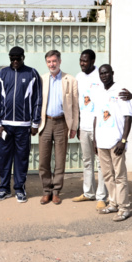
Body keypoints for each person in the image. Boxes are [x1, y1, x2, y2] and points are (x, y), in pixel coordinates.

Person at [73, 49, 132, 210]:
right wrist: (77, 125)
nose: (82, 63)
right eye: (80, 60)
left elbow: (125, 110)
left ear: (93, 61)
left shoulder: (107, 82)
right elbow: (80, 104)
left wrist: (130, 95)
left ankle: (103, 197)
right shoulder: (80, 78)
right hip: (87, 127)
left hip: (107, 133)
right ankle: (89, 193)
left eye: (85, 61)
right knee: (88, 162)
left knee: (107, 168)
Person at [0, 46, 42, 203]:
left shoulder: (32, 73)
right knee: (4, 158)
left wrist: (35, 122)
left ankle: (20, 188)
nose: (14, 61)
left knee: (21, 158)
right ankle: (4, 189)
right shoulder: (2, 74)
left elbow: (37, 100)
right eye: (12, 58)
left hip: (24, 125)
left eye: (17, 59)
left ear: (23, 57)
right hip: (5, 125)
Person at [38, 50, 79, 205]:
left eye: (54, 61)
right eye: (49, 61)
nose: (52, 64)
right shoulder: (42, 79)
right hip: (45, 123)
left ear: (60, 61)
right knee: (43, 160)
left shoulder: (70, 80)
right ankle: (46, 191)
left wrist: (74, 126)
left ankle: (56, 192)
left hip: (62, 123)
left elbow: (75, 106)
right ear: (46, 63)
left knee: (60, 160)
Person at [93, 64, 132, 222]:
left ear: (112, 73)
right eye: (101, 73)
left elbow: (128, 117)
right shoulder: (99, 92)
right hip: (102, 141)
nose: (104, 76)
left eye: (106, 73)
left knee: (120, 176)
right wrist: (95, 140)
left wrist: (123, 140)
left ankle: (124, 208)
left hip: (116, 142)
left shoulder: (121, 92)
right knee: (107, 175)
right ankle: (113, 203)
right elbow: (97, 117)